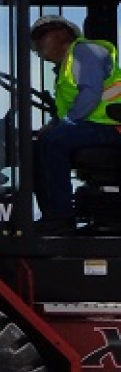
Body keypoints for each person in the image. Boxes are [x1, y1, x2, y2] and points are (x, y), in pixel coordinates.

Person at [30, 14, 121, 232]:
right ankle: (52, 214)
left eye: (41, 37)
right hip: (96, 125)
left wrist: (63, 125)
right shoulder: (66, 67)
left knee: (54, 141)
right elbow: (70, 109)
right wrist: (53, 125)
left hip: (112, 127)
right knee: (39, 141)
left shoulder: (84, 53)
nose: (37, 46)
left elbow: (90, 94)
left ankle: (60, 216)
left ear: (62, 34)